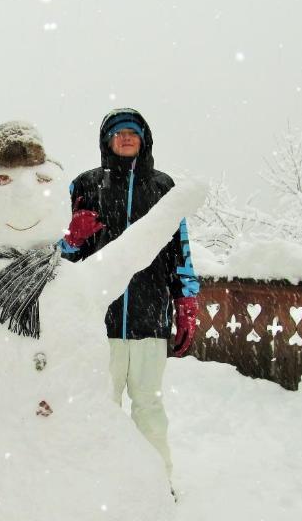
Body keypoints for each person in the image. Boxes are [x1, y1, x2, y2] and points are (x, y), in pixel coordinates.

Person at [61, 107, 199, 483]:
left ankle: (157, 481)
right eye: (118, 132)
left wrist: (187, 300)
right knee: (98, 406)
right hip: (97, 320)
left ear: (144, 139)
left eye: (132, 132)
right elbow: (57, 257)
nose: (125, 137)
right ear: (107, 140)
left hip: (150, 315)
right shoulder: (84, 185)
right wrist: (71, 238)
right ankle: (98, 481)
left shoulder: (162, 187)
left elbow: (179, 249)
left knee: (149, 405)